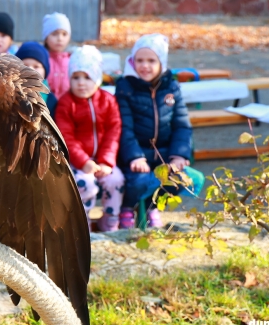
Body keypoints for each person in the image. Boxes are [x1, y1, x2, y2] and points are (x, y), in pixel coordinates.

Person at [114, 34, 203, 229]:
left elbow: (181, 125)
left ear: (161, 62)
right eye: (140, 60)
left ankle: (152, 206)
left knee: (184, 178)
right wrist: (135, 157)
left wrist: (178, 155)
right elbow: (124, 127)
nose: (145, 65)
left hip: (164, 154)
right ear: (132, 61)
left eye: (151, 60)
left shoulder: (171, 87)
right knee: (138, 181)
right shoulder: (125, 87)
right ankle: (127, 207)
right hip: (136, 156)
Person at [54, 46, 124, 232]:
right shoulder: (66, 103)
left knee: (115, 180)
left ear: (97, 78)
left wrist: (106, 162)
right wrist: (83, 161)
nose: (81, 83)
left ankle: (109, 220)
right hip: (78, 162)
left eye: (87, 77)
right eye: (75, 77)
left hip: (103, 161)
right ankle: (82, 224)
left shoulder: (108, 100)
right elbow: (66, 136)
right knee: (86, 184)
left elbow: (113, 132)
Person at [15, 42, 57, 116]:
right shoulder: (8, 95)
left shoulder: (51, 100)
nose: (30, 70)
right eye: (25, 65)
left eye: (36, 66)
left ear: (45, 71)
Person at [43, 12, 72, 99]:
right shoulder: (42, 60)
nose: (60, 38)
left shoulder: (72, 60)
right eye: (54, 34)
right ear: (46, 37)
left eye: (64, 34)